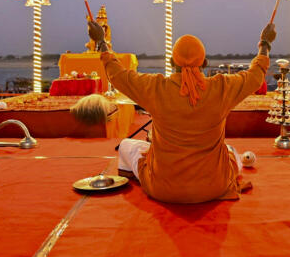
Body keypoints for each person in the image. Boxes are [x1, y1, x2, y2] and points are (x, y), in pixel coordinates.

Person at [88, 20, 276, 204]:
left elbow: (117, 74)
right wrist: (265, 44)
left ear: (171, 62)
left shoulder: (156, 87)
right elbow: (255, 76)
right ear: (204, 62)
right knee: (231, 152)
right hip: (213, 186)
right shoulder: (221, 88)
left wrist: (101, 42)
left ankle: (134, 180)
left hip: (163, 188)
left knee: (127, 145)